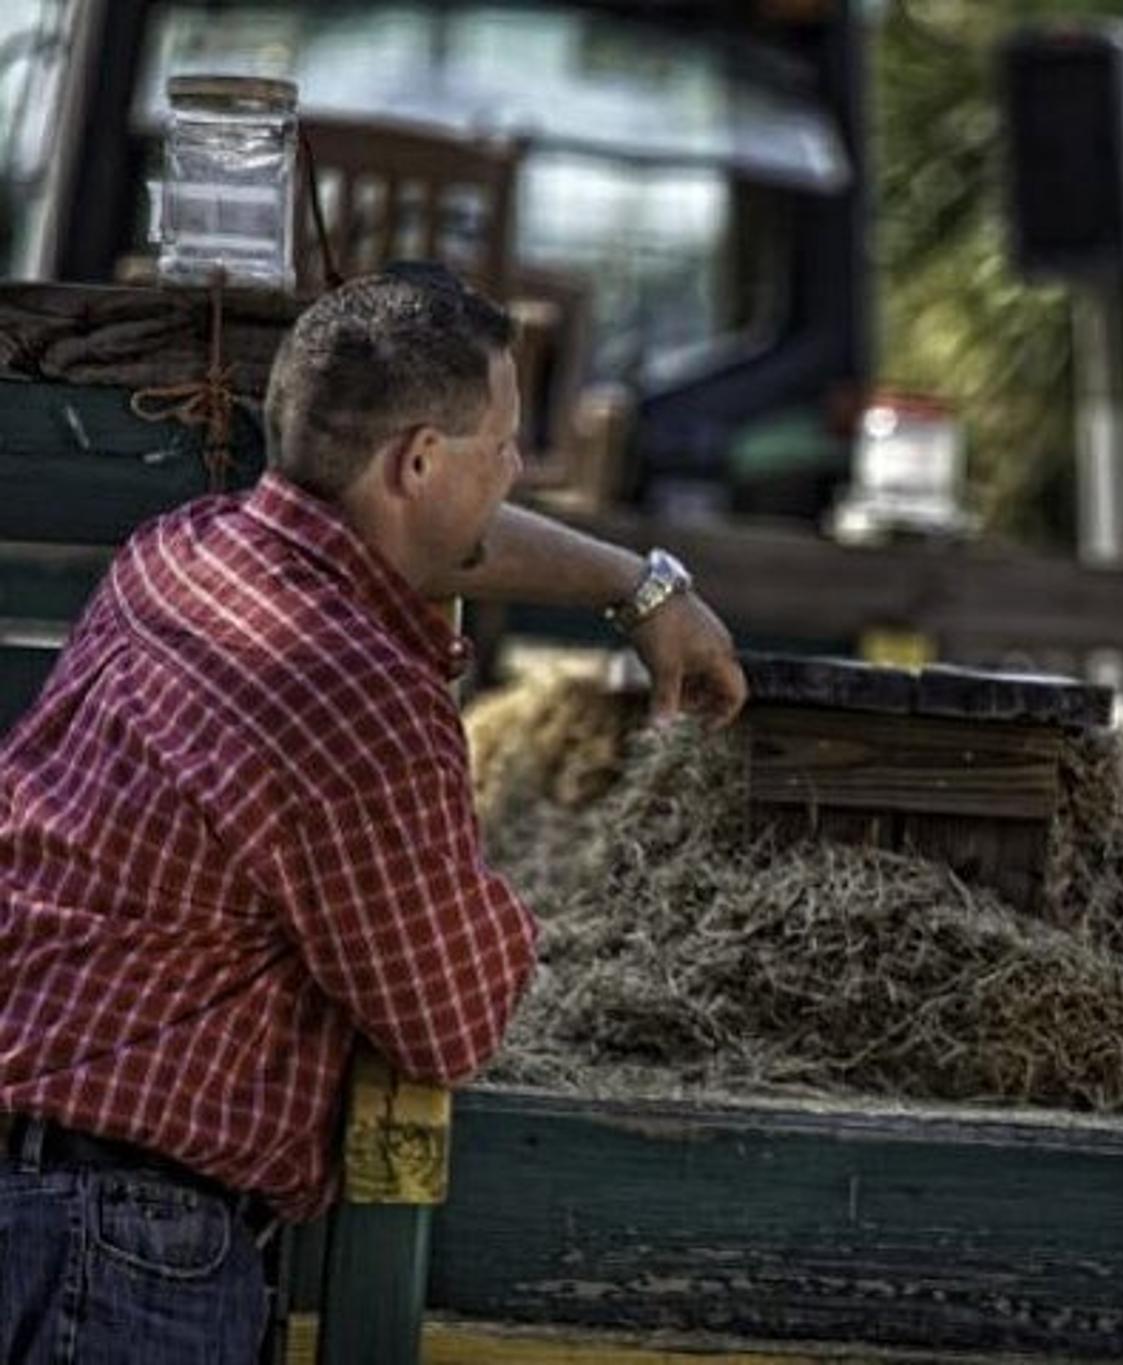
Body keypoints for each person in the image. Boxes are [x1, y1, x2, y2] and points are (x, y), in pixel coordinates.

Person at [0, 264, 747, 1361]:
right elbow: (448, 1019)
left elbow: (440, 537)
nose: (519, 470)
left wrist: (643, 592)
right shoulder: (353, 701)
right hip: (116, 1253)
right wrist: (517, 897)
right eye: (503, 445)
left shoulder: (183, 553)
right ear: (418, 461)